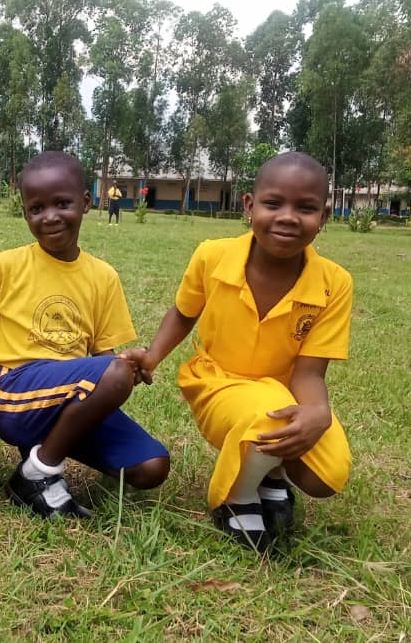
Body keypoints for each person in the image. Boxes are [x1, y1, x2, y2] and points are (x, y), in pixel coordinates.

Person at [123, 152, 353, 552]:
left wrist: (317, 412)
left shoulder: (334, 283)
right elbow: (183, 313)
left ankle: (271, 473)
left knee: (327, 474)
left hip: (280, 396)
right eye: (273, 203)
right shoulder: (213, 257)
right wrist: (152, 355)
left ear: (325, 216)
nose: (288, 217)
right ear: (249, 206)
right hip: (218, 383)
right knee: (267, 418)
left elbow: (309, 373)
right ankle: (236, 495)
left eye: (306, 208)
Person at [0, 151, 170, 518]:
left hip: (69, 396)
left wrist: (130, 364)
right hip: (13, 390)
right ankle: (39, 472)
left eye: (62, 203)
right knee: (114, 373)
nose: (50, 216)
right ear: (25, 214)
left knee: (152, 467)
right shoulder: (8, 265)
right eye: (36, 208)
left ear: (85, 203)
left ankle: (39, 458)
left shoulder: (103, 276)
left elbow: (104, 358)